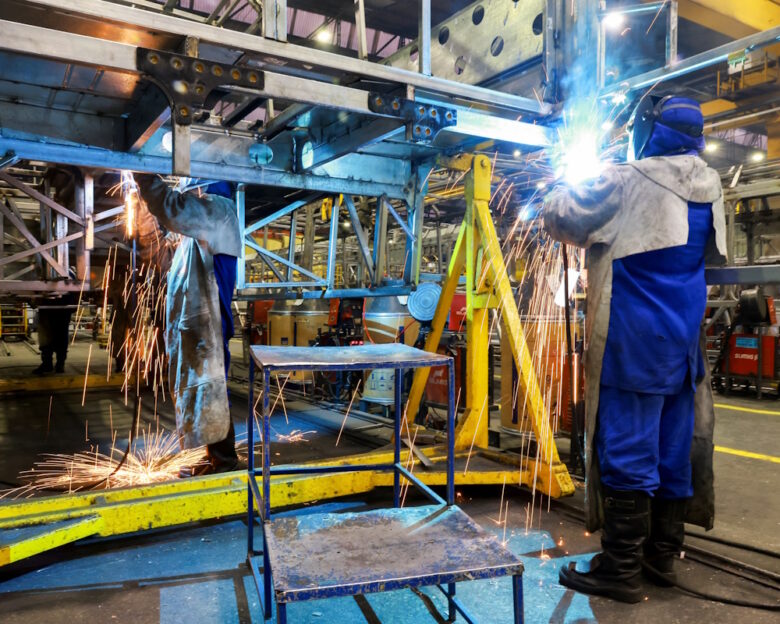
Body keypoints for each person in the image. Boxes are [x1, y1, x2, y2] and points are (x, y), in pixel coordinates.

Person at [543, 95, 726, 603]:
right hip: (683, 346)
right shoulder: (711, 186)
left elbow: (561, 216)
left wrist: (566, 182)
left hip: (632, 342)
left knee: (628, 450)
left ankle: (620, 568)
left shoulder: (626, 179)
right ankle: (660, 558)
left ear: (650, 130)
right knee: (672, 451)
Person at [136, 175, 241, 475]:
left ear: (200, 188)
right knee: (201, 390)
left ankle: (225, 462)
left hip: (208, 321)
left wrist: (143, 177)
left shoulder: (218, 210)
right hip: (196, 323)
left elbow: (172, 209)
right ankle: (214, 456)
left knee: (211, 389)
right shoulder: (201, 225)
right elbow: (168, 239)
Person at [33, 292, 77, 374]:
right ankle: (55, 365)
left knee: (52, 337)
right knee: (53, 338)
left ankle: (53, 364)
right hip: (56, 311)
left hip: (56, 311)